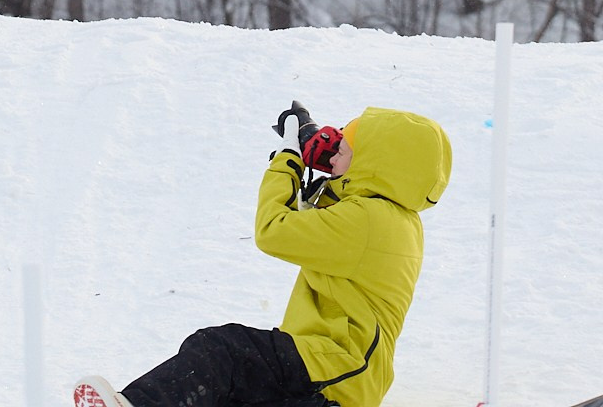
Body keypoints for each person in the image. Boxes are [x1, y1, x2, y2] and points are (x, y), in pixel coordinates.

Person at [73, 106, 453, 407]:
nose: (333, 156)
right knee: (225, 394)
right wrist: (313, 147)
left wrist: (287, 159)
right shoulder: (392, 219)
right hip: (332, 380)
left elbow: (274, 230)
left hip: (333, 367)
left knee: (221, 353)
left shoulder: (367, 220)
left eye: (342, 151)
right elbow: (323, 215)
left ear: (375, 164)